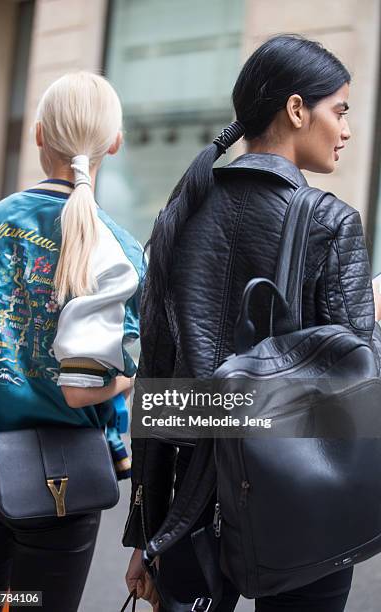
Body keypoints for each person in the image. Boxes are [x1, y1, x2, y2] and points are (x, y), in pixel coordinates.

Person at [124, 34, 375, 612]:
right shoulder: (331, 223)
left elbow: (155, 386)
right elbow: (360, 406)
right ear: (295, 109)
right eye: (338, 110)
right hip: (299, 502)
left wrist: (146, 532)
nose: (345, 129)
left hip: (191, 501)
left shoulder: (182, 213)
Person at [0, 72, 145, 612]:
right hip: (62, 485)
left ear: (39, 134)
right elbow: (86, 386)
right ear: (113, 143)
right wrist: (133, 374)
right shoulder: (119, 248)